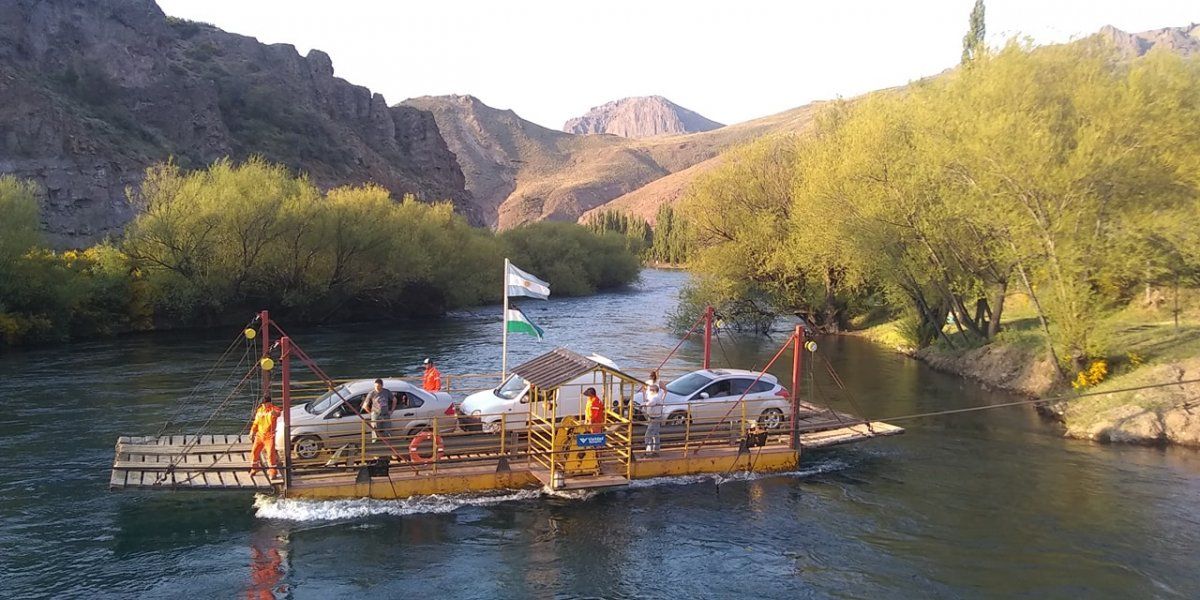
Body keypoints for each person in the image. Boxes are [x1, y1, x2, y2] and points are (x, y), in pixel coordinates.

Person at [249, 394, 281, 478]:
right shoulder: (260, 410)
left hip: (269, 436)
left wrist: (275, 413)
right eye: (262, 403)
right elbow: (256, 423)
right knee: (254, 452)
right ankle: (254, 468)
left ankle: (273, 472)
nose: (263, 405)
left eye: (265, 403)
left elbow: (278, 413)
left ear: (269, 403)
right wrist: (252, 431)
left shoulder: (274, 409)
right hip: (259, 435)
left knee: (271, 454)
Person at [643, 382, 665, 456]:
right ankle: (656, 450)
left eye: (650, 390)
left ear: (653, 391)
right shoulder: (658, 397)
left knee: (648, 435)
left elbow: (649, 403)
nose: (649, 392)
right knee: (655, 434)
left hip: (654, 418)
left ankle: (648, 452)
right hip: (656, 417)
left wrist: (644, 404)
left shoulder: (655, 398)